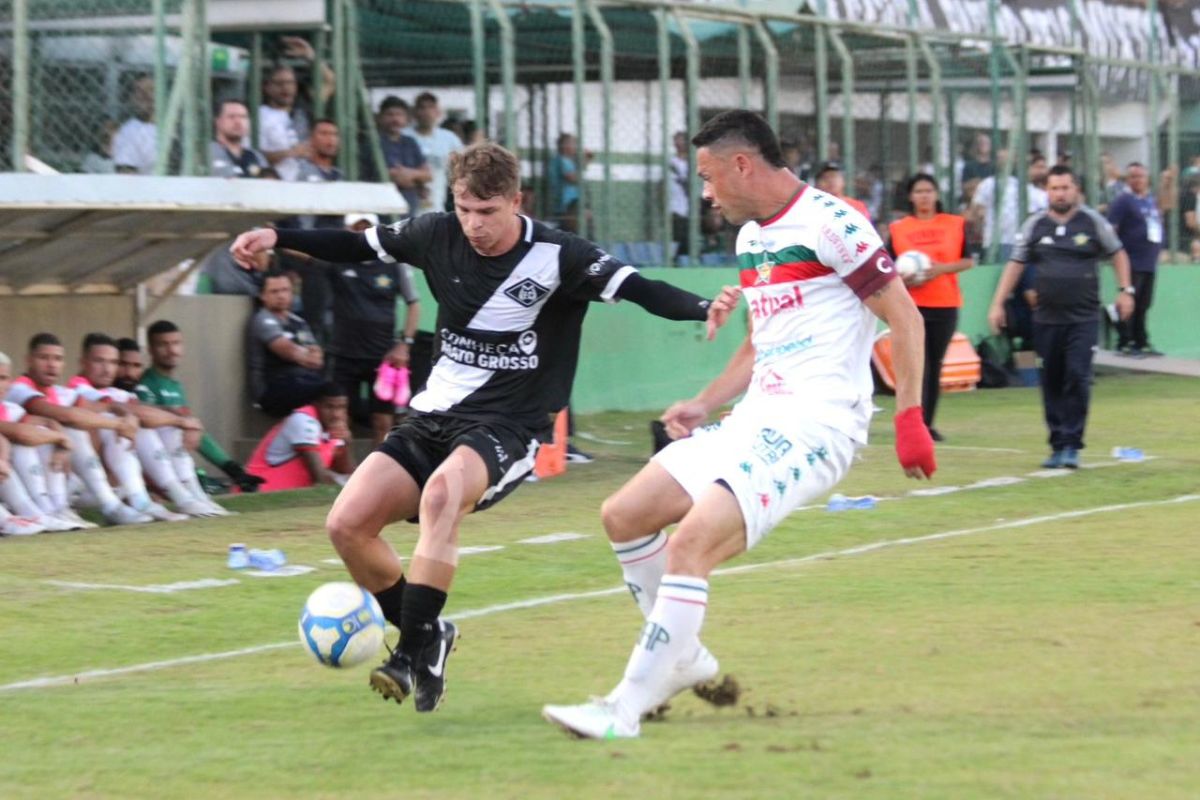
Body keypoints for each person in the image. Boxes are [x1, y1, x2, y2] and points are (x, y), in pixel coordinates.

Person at [230, 140, 733, 714]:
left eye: (488, 212)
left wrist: (702, 307)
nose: (474, 224)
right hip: (432, 415)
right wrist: (278, 236)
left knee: (443, 495)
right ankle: (431, 635)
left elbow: (640, 288)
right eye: (464, 209)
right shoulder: (434, 233)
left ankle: (407, 653)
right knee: (346, 524)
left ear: (517, 201)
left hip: (508, 425)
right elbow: (356, 245)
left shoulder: (561, 255)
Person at [541, 110, 936, 740]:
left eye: (706, 176)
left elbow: (906, 320)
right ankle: (682, 658)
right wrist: (704, 401)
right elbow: (762, 343)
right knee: (625, 513)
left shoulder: (834, 223)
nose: (704, 192)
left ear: (741, 164)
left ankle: (623, 707)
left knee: (690, 544)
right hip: (754, 418)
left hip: (817, 425)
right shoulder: (753, 238)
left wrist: (910, 417)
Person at [986, 166, 1134, 469]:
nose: (1060, 193)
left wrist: (1125, 290)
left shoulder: (1093, 222)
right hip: (1046, 319)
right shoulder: (1035, 225)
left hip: (1084, 317)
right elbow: (1015, 264)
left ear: (1075, 189)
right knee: (1051, 379)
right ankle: (1057, 444)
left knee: (1077, 376)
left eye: (1065, 187)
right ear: (1047, 191)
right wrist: (997, 303)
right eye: (1054, 188)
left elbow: (1118, 253)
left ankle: (1072, 443)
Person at [286, 213, 421, 444]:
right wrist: (275, 238)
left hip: (382, 356)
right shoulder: (338, 261)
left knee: (383, 421)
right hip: (343, 354)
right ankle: (347, 476)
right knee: (340, 418)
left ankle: (378, 476)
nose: (361, 233)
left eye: (366, 228)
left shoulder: (393, 264)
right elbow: (307, 254)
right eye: (356, 228)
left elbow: (414, 304)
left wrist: (404, 344)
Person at [71, 334, 225, 518]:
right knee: (127, 423)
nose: (107, 369)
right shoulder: (77, 388)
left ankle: (192, 494)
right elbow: (134, 411)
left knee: (162, 424)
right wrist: (181, 421)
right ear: (83, 362)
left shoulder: (114, 392)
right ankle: (157, 499)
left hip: (117, 487)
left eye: (113, 362)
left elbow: (148, 410)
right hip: (84, 488)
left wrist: (186, 422)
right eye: (99, 361)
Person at [5, 333, 153, 525]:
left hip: (61, 478)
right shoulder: (19, 389)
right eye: (44, 358)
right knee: (71, 430)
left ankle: (140, 498)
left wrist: (123, 414)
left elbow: (100, 407)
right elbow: (66, 416)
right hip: (27, 477)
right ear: (28, 360)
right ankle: (104, 505)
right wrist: (118, 424)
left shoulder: (59, 391)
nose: (51, 365)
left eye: (57, 359)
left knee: (100, 423)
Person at [888, 174, 973, 442]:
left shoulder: (954, 224)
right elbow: (888, 266)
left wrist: (939, 270)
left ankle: (927, 423)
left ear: (936, 194)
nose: (924, 196)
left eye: (929, 190)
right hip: (910, 305)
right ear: (911, 196)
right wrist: (903, 277)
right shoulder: (898, 228)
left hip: (945, 303)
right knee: (914, 365)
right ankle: (911, 422)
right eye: (919, 191)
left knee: (933, 365)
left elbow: (968, 261)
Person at [137, 320, 265, 493]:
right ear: (150, 350)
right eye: (163, 344)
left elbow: (196, 434)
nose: (172, 350)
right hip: (159, 474)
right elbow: (150, 432)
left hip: (179, 466)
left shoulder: (175, 385)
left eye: (176, 343)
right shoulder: (145, 386)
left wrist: (233, 470)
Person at [0, 351, 82, 533]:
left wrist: (61, 441)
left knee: (39, 436)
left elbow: (47, 422)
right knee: (27, 440)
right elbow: (20, 433)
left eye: (3, 378)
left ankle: (50, 509)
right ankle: (9, 519)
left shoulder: (8, 408)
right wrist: (61, 438)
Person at [1107, 162, 1174, 357]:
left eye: (1140, 176)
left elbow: (1165, 208)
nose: (1137, 180)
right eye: (1133, 176)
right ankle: (1125, 342)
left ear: (1147, 178)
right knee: (1130, 302)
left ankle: (1141, 340)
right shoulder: (1123, 201)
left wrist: (1167, 184)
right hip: (1131, 260)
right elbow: (1111, 228)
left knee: (1144, 304)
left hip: (1148, 261)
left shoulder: (1149, 200)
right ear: (1128, 179)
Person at [245, 382, 356, 492]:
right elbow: (320, 478)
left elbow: (346, 472)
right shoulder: (303, 421)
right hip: (257, 492)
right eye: (329, 407)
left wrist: (346, 444)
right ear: (316, 405)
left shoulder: (334, 427)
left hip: (287, 496)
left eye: (341, 407)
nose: (336, 414)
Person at [246, 271, 326, 417]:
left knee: (334, 390)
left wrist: (308, 356)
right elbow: (288, 352)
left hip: (301, 381)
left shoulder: (298, 321)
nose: (281, 296)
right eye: (274, 291)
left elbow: (317, 359)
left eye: (285, 290)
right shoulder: (263, 320)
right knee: (325, 391)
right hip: (272, 389)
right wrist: (306, 355)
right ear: (263, 296)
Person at [258, 39, 335, 182]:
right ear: (267, 87)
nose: (285, 88)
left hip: (308, 182)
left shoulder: (303, 109)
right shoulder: (260, 115)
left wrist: (311, 56)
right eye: (279, 83)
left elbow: (329, 81)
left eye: (290, 83)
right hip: (276, 185)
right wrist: (291, 153)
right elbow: (257, 157)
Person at [970, 151, 1049, 262]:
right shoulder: (989, 183)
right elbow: (976, 211)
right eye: (1001, 159)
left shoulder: (1031, 190)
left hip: (1020, 243)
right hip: (998, 242)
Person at [367, 96, 431, 215]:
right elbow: (385, 175)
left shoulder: (410, 142)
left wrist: (409, 174)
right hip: (382, 208)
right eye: (390, 114)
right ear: (380, 117)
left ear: (406, 118)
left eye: (399, 114)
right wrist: (414, 178)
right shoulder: (373, 143)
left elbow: (428, 175)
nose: (395, 119)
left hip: (409, 208)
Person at [406, 92, 463, 215]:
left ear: (438, 112)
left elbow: (461, 169)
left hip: (437, 200)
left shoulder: (449, 138)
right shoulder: (404, 136)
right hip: (408, 200)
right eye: (422, 107)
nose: (426, 112)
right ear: (414, 112)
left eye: (430, 107)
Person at [210, 99, 269, 178]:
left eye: (243, 117)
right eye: (231, 117)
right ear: (217, 121)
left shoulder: (256, 157)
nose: (238, 122)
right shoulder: (206, 153)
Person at [113, 75, 157, 175]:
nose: (145, 95)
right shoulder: (128, 132)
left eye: (150, 90)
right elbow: (126, 174)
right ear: (133, 98)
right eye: (140, 91)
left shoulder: (178, 125)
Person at [548, 133, 589, 233]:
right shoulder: (562, 160)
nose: (575, 147)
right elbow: (572, 178)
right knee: (571, 229)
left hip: (569, 201)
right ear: (565, 145)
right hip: (567, 202)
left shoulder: (567, 161)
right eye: (573, 144)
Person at [669, 131, 691, 263]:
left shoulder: (693, 162)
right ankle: (675, 259)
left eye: (682, 140)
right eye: (676, 140)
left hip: (691, 205)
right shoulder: (671, 162)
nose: (679, 143)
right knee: (679, 235)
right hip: (675, 206)